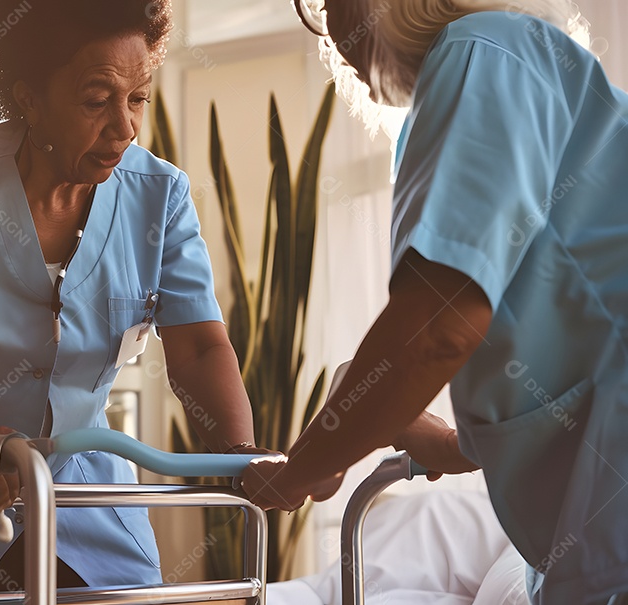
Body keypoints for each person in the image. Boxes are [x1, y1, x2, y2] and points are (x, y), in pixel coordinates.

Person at [0, 0, 269, 598]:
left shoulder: (159, 196)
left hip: (76, 483)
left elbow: (197, 348)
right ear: (28, 98)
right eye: (96, 100)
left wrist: (239, 457)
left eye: (138, 98)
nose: (125, 127)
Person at [241, 1, 628, 604]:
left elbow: (433, 333)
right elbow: (546, 337)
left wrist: (303, 470)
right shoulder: (497, 63)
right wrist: (442, 440)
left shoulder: (480, 51)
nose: (327, 24)